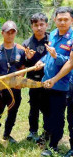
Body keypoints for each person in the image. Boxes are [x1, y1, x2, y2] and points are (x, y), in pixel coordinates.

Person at [35, 6, 73, 156]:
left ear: (71, 20)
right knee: (48, 113)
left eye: (66, 19)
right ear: (55, 20)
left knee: (60, 116)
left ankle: (54, 145)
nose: (62, 22)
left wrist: (57, 58)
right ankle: (49, 134)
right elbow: (49, 54)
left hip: (62, 84)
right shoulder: (53, 35)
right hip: (47, 81)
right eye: (60, 19)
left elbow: (69, 63)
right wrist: (41, 61)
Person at [0, 20, 25, 145]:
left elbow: (23, 67)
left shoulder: (21, 50)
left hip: (15, 88)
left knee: (13, 112)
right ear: (2, 33)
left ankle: (7, 134)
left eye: (13, 32)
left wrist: (20, 78)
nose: (10, 35)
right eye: (8, 32)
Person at [22, 13, 49, 142]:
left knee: (47, 107)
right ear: (32, 26)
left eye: (41, 24)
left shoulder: (51, 40)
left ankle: (47, 131)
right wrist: (28, 58)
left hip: (48, 80)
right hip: (33, 81)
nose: (39, 28)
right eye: (36, 25)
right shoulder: (27, 43)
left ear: (46, 25)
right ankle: (33, 132)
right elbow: (24, 64)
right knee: (34, 107)